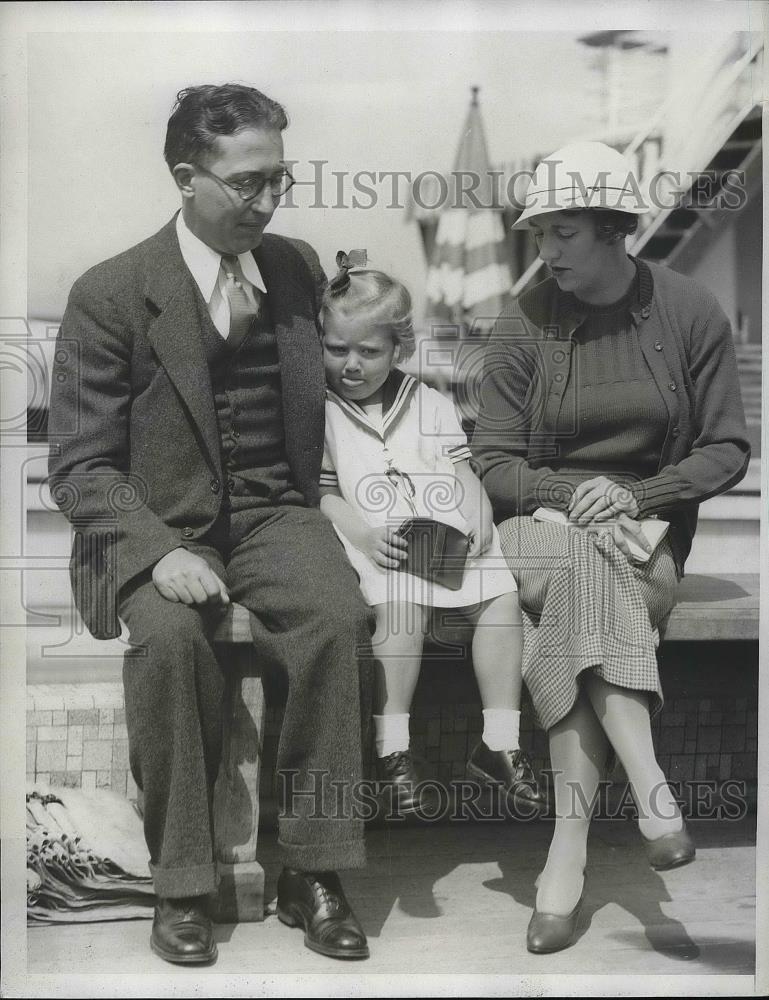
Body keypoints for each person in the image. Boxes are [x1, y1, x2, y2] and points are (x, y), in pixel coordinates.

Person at [47, 84, 375, 965]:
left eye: (281, 181)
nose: (267, 203)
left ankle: (315, 872)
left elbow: (373, 364)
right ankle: (181, 883)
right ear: (187, 178)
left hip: (275, 512)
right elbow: (78, 466)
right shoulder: (111, 293)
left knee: (334, 620)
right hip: (156, 524)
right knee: (169, 641)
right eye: (248, 184)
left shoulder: (299, 269)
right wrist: (154, 553)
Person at [470, 141, 750, 953]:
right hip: (534, 529)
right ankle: (650, 785)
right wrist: (567, 495)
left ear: (612, 228)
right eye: (538, 234)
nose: (544, 251)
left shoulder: (687, 310)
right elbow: (492, 461)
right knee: (581, 571)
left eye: (561, 233)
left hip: (645, 536)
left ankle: (566, 853)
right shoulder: (522, 322)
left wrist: (636, 494)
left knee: (585, 590)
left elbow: (726, 449)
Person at [317, 254, 546, 817]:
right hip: (378, 544)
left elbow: (463, 471)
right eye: (336, 349)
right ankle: (392, 752)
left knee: (501, 594)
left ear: (400, 350)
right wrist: (365, 535)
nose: (351, 364)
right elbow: (323, 493)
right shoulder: (320, 411)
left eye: (368, 352)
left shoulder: (430, 403)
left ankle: (500, 741)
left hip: (443, 542)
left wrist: (478, 512)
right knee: (401, 608)